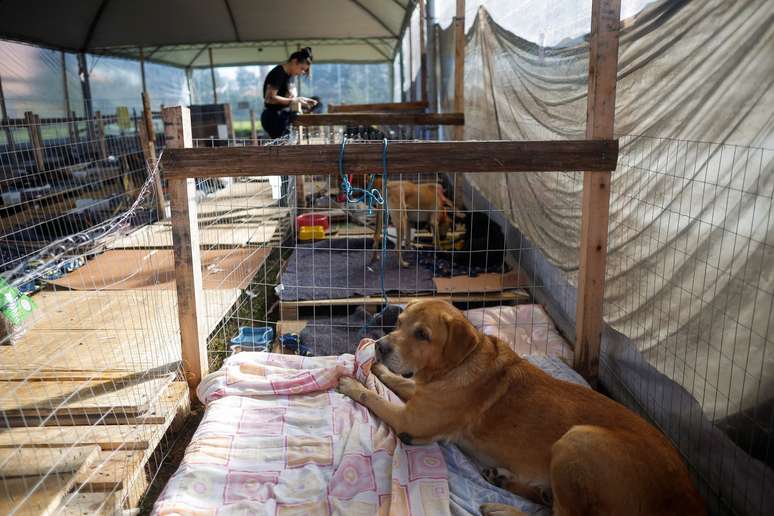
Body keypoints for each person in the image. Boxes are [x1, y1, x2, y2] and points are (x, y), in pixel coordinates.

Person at [261, 47, 318, 139]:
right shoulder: (278, 73)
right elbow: (269, 98)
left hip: (283, 116)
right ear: (294, 61)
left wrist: (302, 100)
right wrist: (293, 100)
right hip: (273, 117)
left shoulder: (290, 76)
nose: (302, 72)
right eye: (302, 68)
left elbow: (290, 98)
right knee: (281, 149)